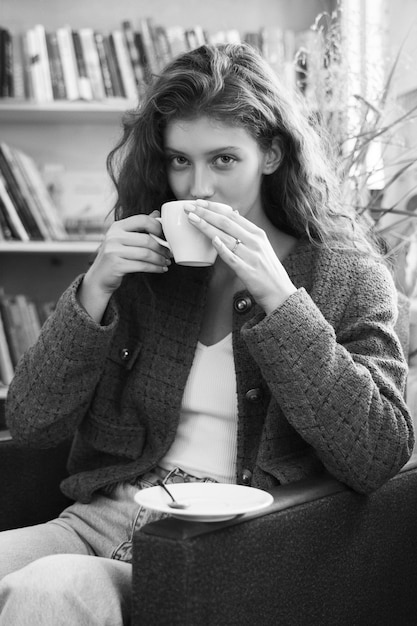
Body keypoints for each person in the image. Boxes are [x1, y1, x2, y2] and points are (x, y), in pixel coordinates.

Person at [0, 42, 414, 625]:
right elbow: (30, 420)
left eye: (224, 160)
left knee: (49, 591)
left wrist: (282, 300)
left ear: (270, 153)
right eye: (179, 161)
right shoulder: (142, 273)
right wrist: (92, 291)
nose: (198, 188)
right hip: (102, 519)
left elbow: (378, 453)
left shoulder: (345, 278)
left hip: (225, 541)